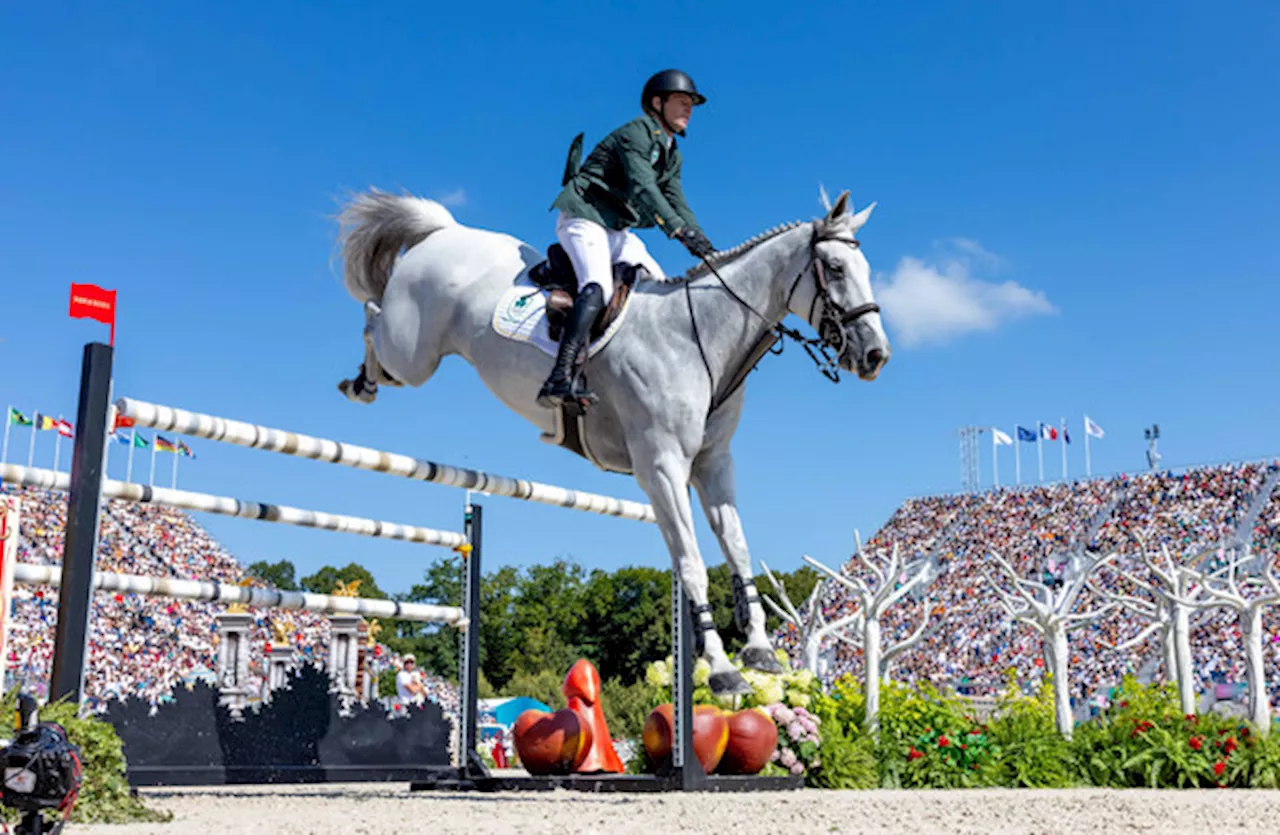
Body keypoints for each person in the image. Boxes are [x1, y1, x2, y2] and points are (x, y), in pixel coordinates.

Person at [537, 69, 717, 408]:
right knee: (600, 287)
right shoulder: (636, 134)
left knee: (660, 285)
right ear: (657, 103)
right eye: (681, 101)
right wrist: (677, 230)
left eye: (691, 103)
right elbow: (643, 188)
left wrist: (705, 247)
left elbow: (677, 200)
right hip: (585, 217)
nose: (688, 108)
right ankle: (559, 376)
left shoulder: (671, 153)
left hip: (615, 230)